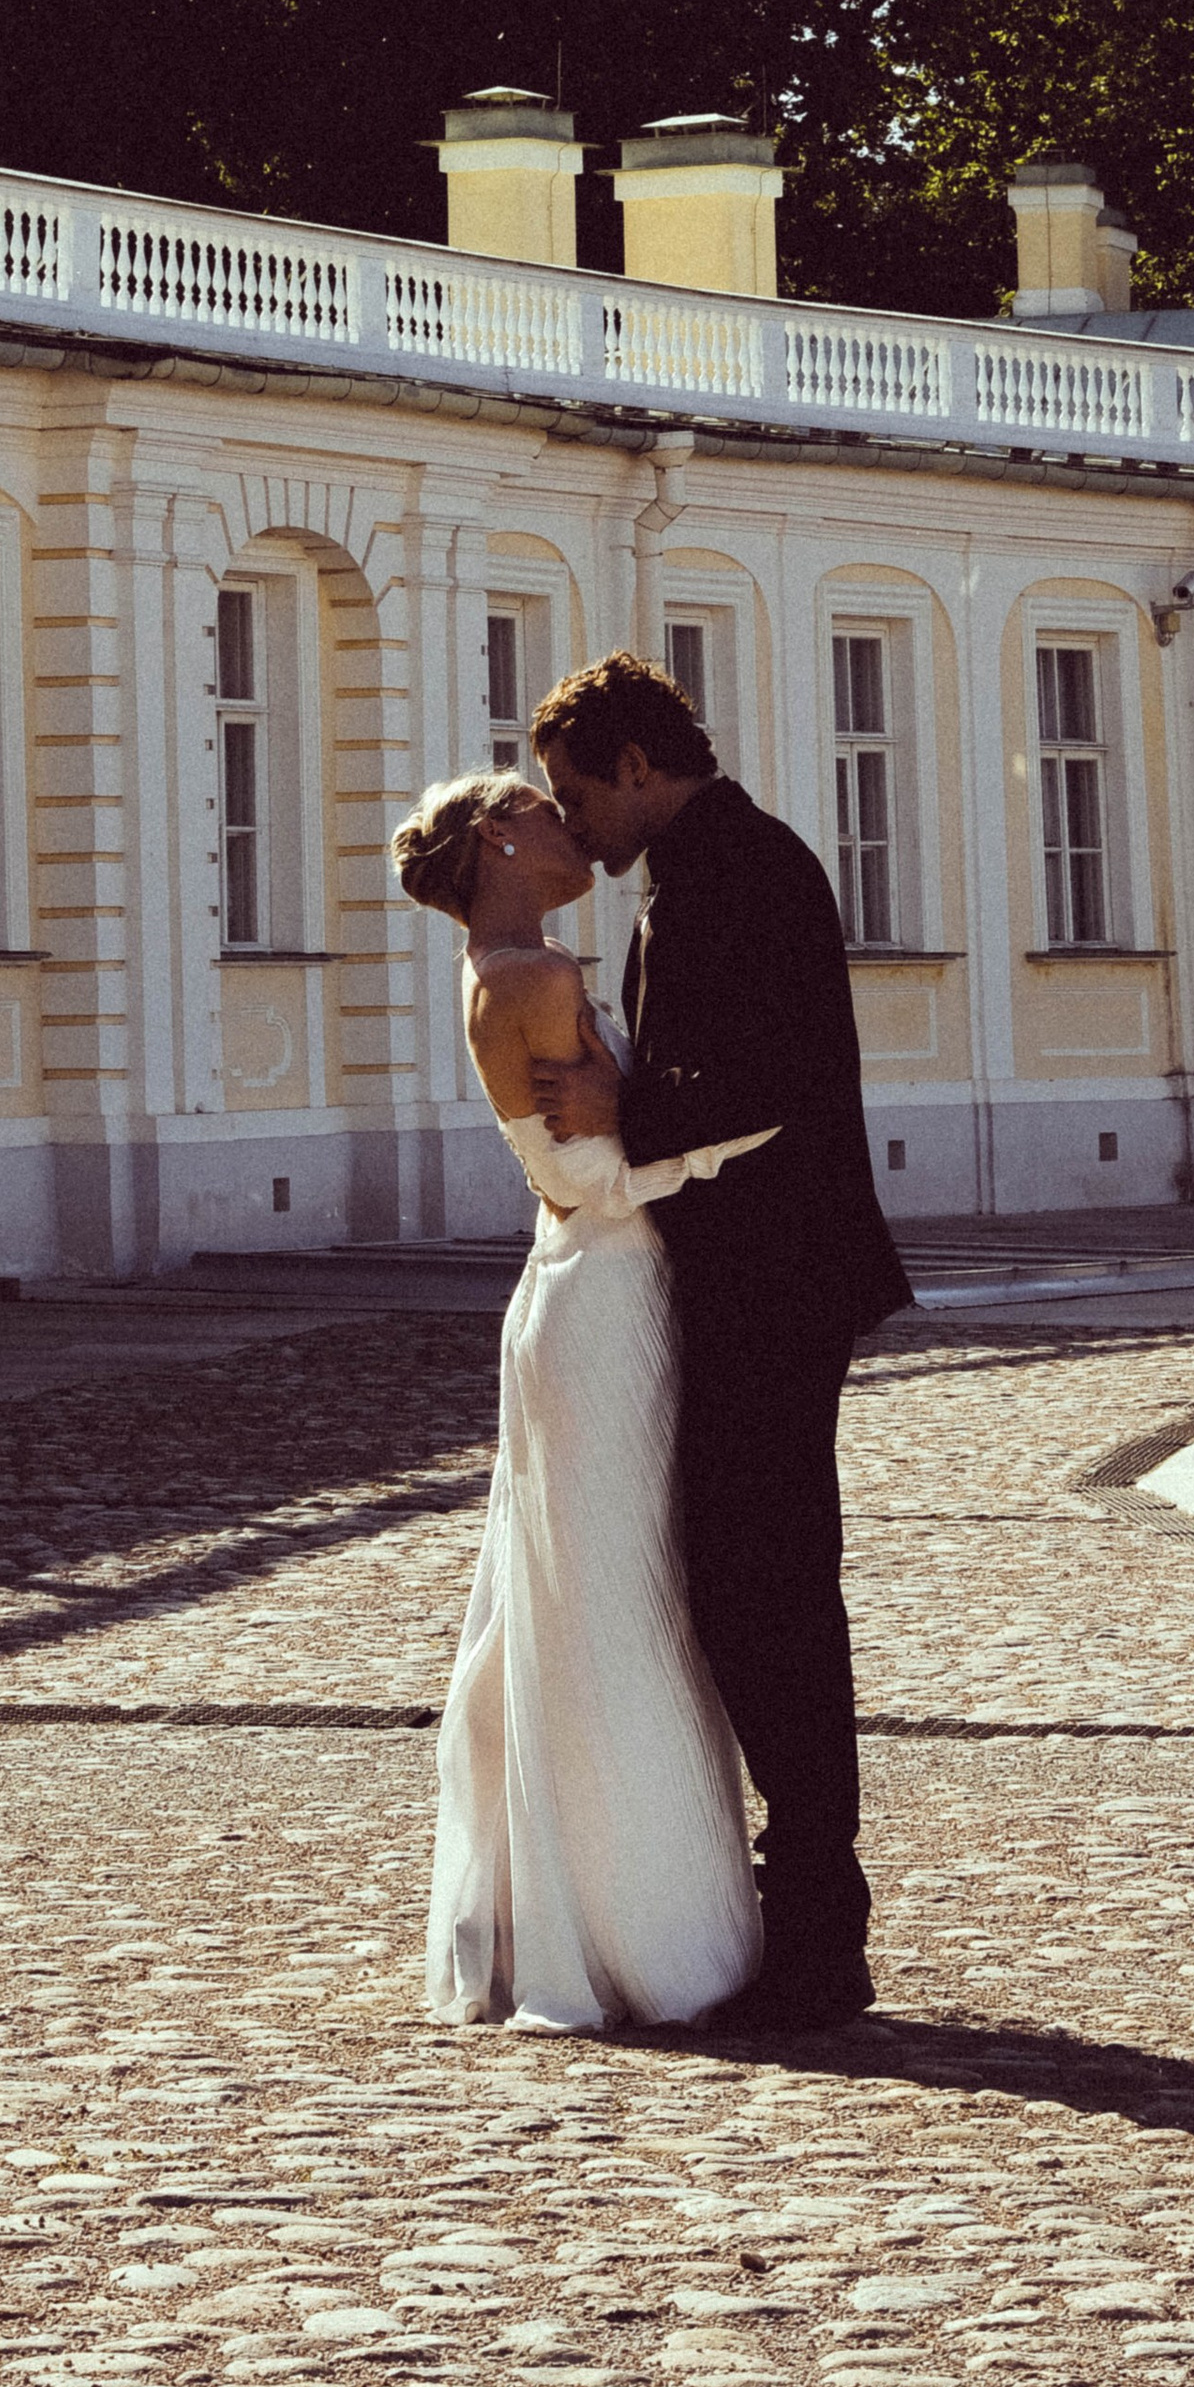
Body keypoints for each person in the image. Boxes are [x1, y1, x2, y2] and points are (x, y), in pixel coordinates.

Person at [529, 651, 909, 2032]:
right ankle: (799, 1903)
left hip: (779, 1275)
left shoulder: (741, 869)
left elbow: (760, 1084)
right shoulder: (702, 870)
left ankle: (819, 1921)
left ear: (639, 763)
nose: (569, 825)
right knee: (749, 1587)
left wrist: (614, 1103)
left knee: (772, 1593)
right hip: (753, 1273)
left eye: (578, 795)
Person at [391, 766, 776, 2031]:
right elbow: (590, 1183)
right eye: (546, 810)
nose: (573, 827)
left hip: (581, 1295)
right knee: (616, 1601)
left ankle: (594, 1907)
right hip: (604, 1298)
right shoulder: (534, 979)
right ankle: (644, 1932)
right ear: (504, 835)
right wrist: (752, 1127)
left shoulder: (516, 967)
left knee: (583, 1599)